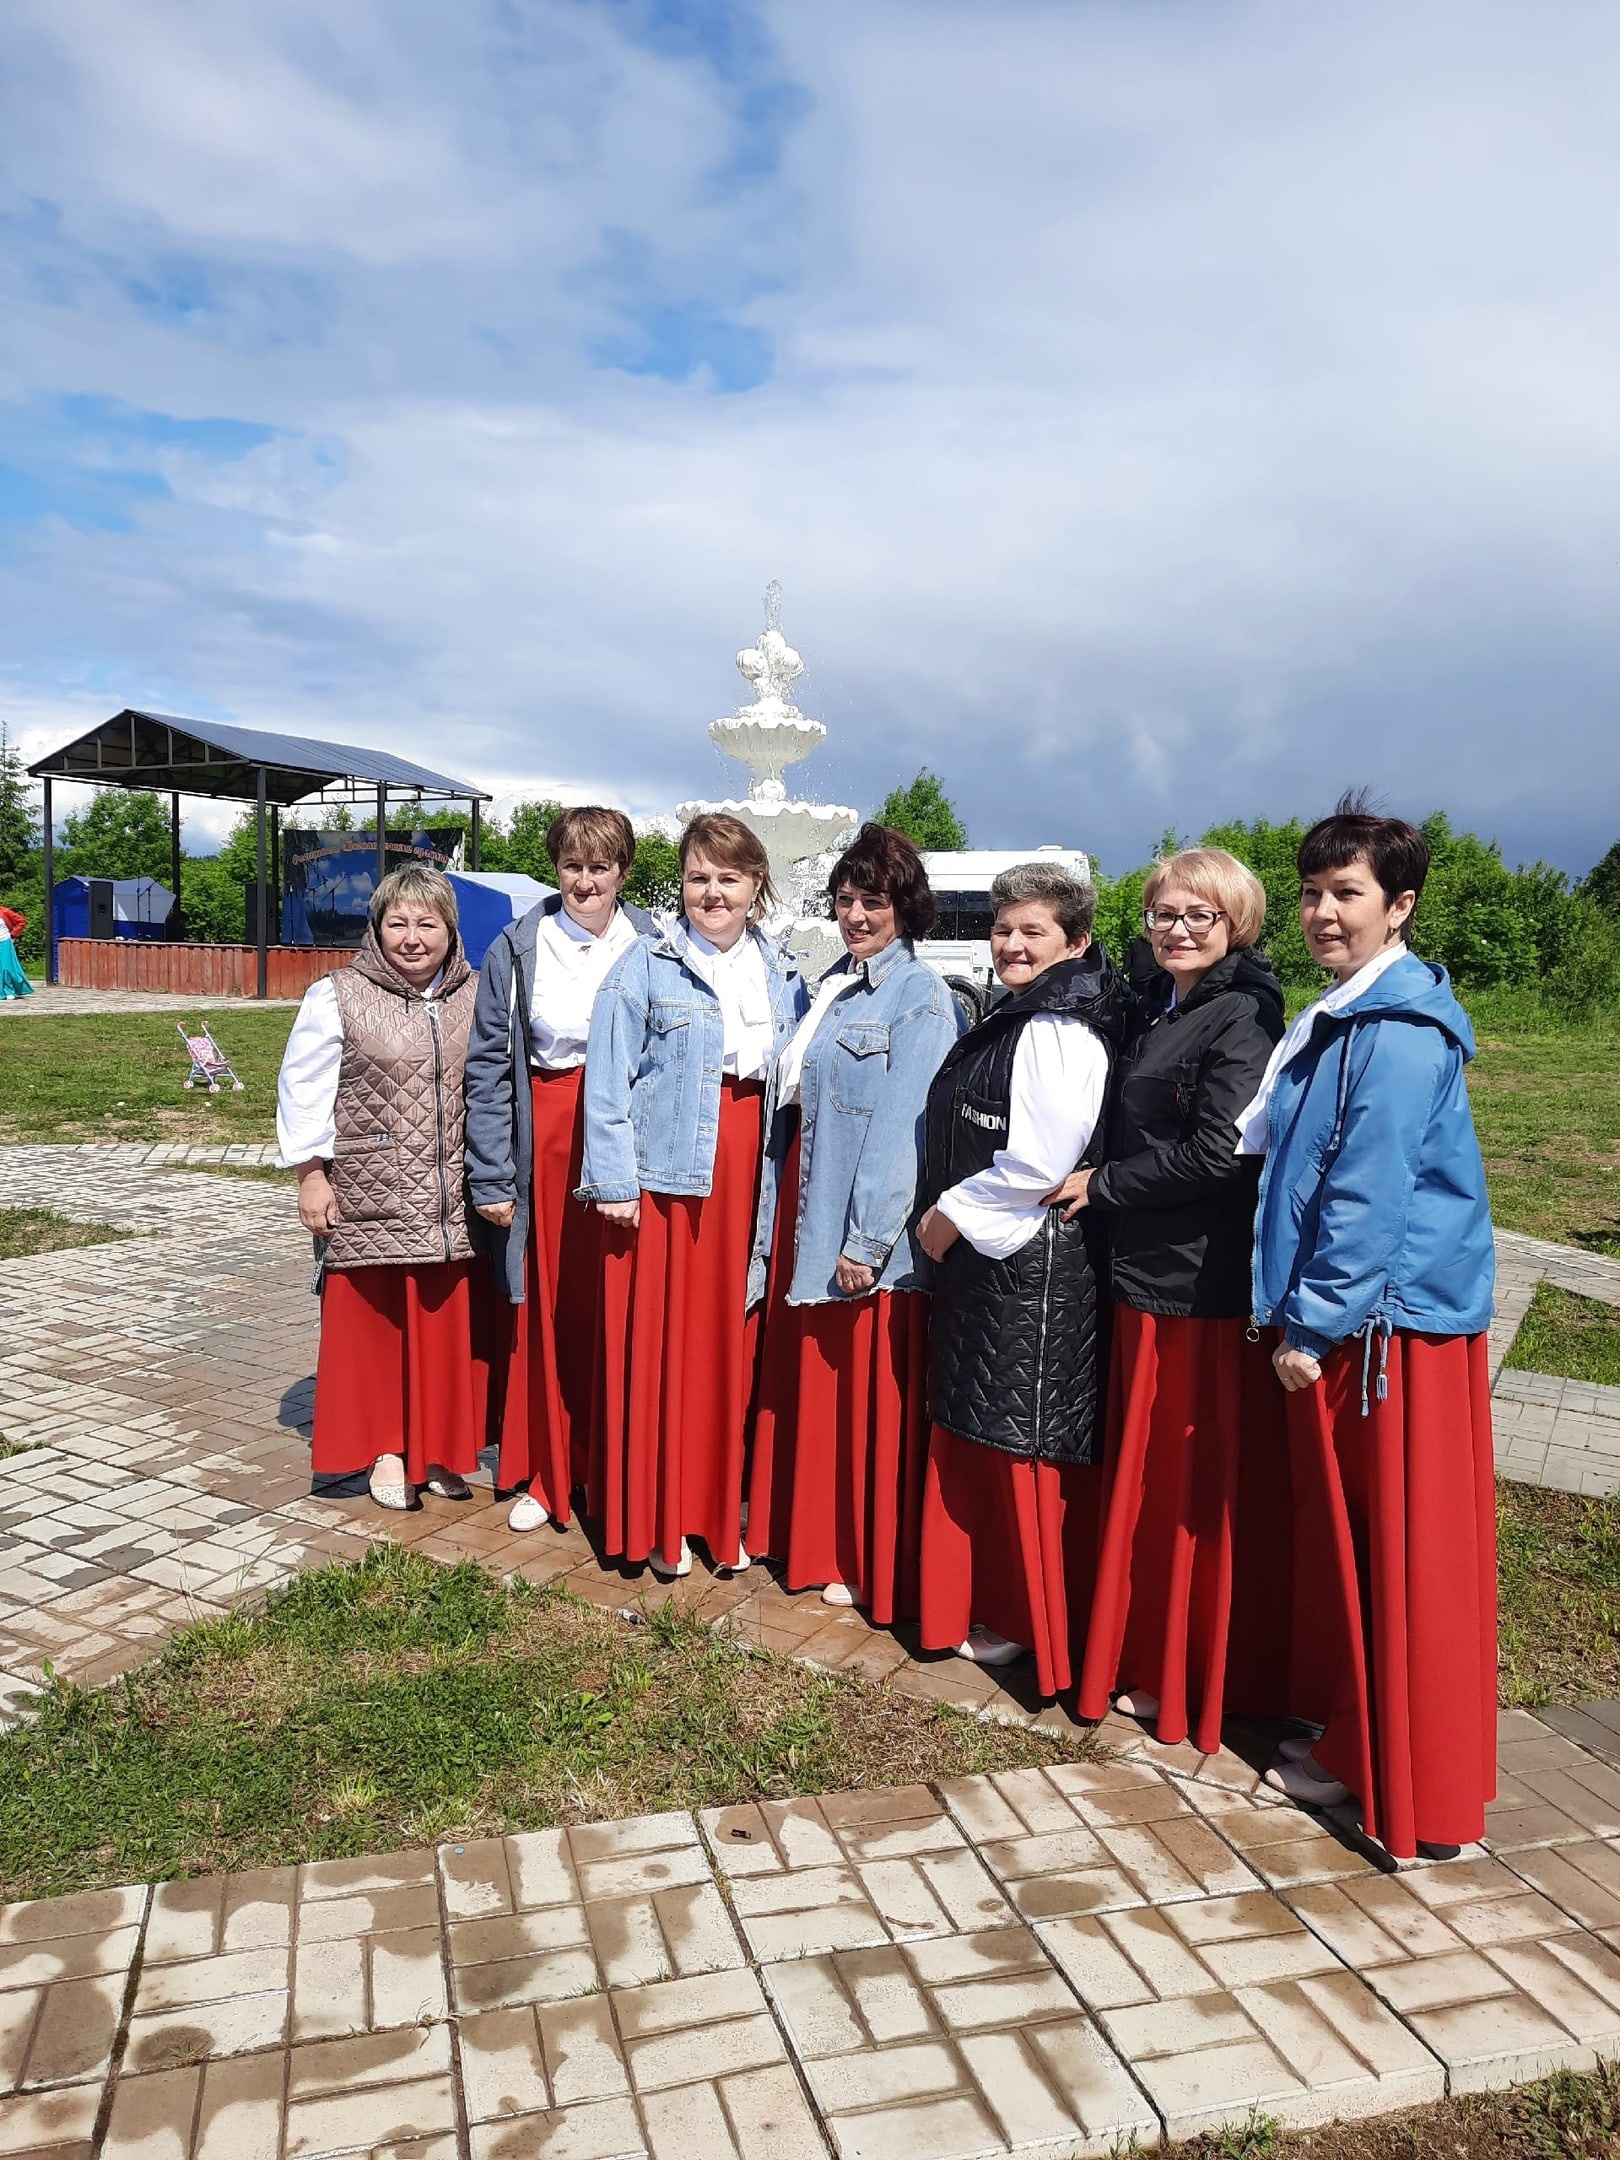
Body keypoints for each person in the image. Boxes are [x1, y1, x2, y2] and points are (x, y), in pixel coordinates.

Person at [1242, 795, 1496, 1859]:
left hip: (1387, 1334)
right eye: (1309, 892)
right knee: (1370, 1552)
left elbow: (1366, 1191)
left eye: (1345, 894)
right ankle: (1362, 1745)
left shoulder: (1391, 1030)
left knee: (1395, 1555)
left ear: (1400, 906)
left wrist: (1311, 1322)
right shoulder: (1351, 1009)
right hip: (1380, 1322)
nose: (1320, 912)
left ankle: (1395, 1776)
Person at [1053, 849, 1289, 1751]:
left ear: (1235, 922)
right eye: (1163, 914)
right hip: (1144, 1272)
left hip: (1193, 1286)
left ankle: (1179, 1666)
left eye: (1200, 915)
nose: (1178, 929)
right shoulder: (1167, 1002)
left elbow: (1222, 1156)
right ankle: (1130, 1646)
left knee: (1177, 1485)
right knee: (1142, 1477)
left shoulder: (1241, 1019)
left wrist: (1103, 1184)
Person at [913, 862, 1125, 1696]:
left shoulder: (1059, 1027)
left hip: (1030, 1263)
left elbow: (1039, 1161)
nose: (1010, 942)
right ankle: (1003, 1613)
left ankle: (1039, 1633)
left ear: (1073, 940)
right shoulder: (1031, 1011)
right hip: (1002, 1257)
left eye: (1032, 930)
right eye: (1004, 928)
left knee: (1024, 1446)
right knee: (993, 1437)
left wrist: (945, 1216)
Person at [578, 812, 806, 1578]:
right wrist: (614, 1181)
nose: (714, 892)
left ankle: (715, 1514)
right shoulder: (644, 964)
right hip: (668, 1178)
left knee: (725, 1351)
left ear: (757, 888)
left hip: (747, 1173)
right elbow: (605, 1084)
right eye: (699, 877)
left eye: (730, 878)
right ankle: (658, 1516)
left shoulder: (781, 970)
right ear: (680, 884)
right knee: (664, 1349)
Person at [745, 824, 963, 1615]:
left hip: (857, 1226)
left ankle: (854, 1554)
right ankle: (802, 1538)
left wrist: (866, 1242)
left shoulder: (920, 998)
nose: (855, 915)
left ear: (905, 905)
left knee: (858, 1403)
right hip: (811, 1204)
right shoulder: (835, 981)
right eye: (844, 901)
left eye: (872, 901)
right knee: (814, 1393)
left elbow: (907, 1129)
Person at [464, 809, 655, 1534]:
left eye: (600, 867)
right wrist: (492, 1174)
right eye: (573, 866)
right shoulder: (519, 946)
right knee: (547, 1306)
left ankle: (614, 1473)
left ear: (622, 872)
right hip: (544, 1134)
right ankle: (547, 1472)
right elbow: (487, 1067)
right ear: (557, 870)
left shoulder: (654, 944)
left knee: (617, 1306)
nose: (586, 881)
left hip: (626, 1136)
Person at [276, 863, 488, 1511]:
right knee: (376, 1331)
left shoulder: (478, 996)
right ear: (377, 927)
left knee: (444, 1329)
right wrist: (312, 1175)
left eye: (428, 923)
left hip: (453, 1198)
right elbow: (302, 1086)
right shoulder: (338, 994)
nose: (413, 937)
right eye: (398, 922)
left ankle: (441, 1450)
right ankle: (388, 1449)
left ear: (451, 931)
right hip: (370, 1193)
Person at [0, 906, 32, 1000]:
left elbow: (21, 921)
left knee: (6, 967)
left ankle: (9, 990)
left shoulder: (4, 911)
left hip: (4, 941)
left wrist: (13, 934)